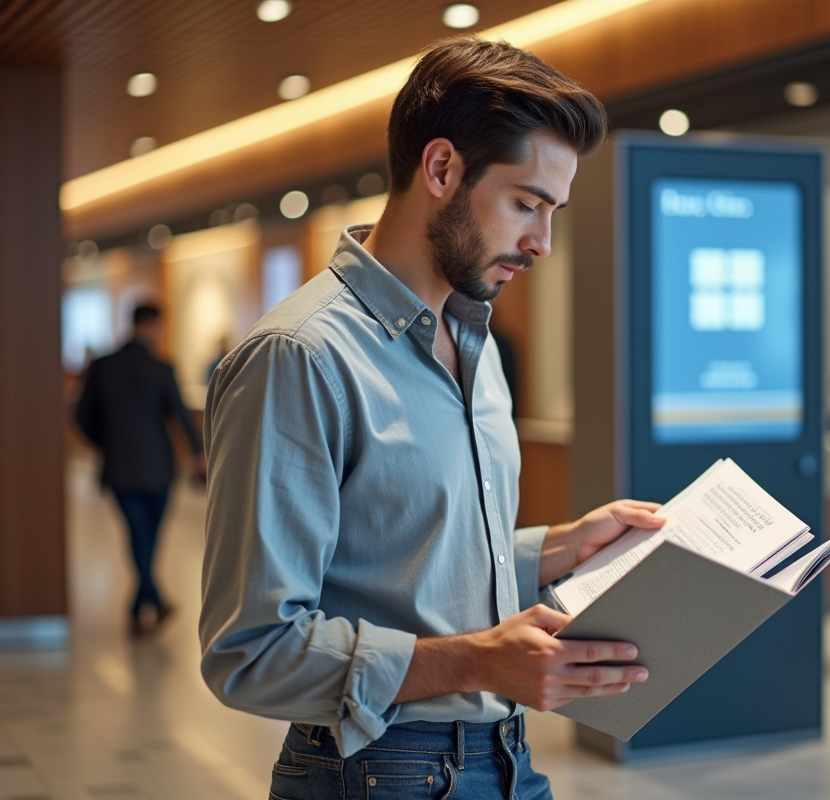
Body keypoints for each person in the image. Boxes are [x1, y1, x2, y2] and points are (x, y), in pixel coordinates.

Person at [200, 37, 664, 800]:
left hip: (507, 756)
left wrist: (558, 549)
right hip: (376, 770)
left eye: (552, 212)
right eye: (526, 204)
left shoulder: (477, 341)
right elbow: (250, 652)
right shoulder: (301, 357)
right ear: (442, 169)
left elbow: (406, 557)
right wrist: (476, 660)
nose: (542, 243)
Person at [75, 303, 206, 634]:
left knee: (138, 535)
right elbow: (179, 413)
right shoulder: (161, 367)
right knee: (149, 536)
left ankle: (139, 608)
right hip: (159, 468)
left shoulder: (103, 366)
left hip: (119, 467)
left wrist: (105, 443)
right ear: (155, 326)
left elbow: (81, 416)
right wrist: (197, 452)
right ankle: (154, 600)